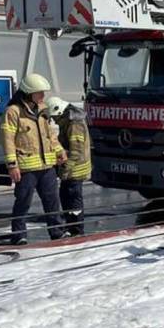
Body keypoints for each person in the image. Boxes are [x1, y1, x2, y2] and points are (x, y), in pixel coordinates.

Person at [0, 73, 67, 245]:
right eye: (40, 92)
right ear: (29, 93)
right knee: (23, 202)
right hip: (26, 168)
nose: (43, 96)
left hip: (47, 166)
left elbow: (50, 135)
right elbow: (7, 140)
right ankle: (19, 235)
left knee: (52, 200)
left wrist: (59, 150)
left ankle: (57, 232)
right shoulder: (13, 112)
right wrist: (12, 165)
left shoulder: (43, 109)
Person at [47, 96, 92, 237]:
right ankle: (71, 227)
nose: (54, 121)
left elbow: (76, 151)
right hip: (72, 169)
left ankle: (77, 231)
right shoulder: (69, 121)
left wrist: (66, 169)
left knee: (73, 200)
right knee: (66, 197)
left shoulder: (74, 124)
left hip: (75, 170)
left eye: (54, 117)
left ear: (59, 112)